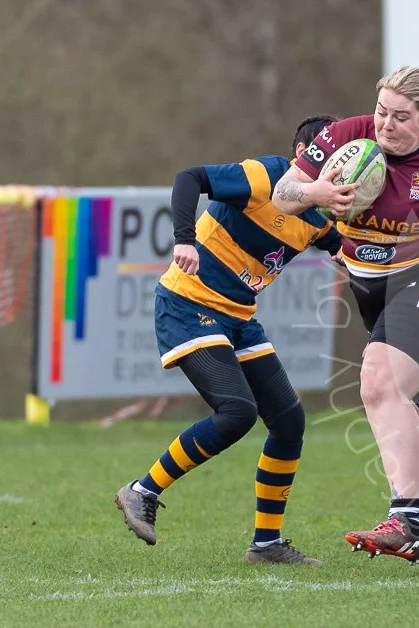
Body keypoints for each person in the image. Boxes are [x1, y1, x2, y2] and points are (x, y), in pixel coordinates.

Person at [269, 66, 419, 564]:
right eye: (382, 111)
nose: (385, 124)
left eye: (401, 117)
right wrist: (315, 194)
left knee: (378, 382)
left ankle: (407, 520)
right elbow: (282, 194)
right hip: (378, 294)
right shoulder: (343, 137)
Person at [113, 115, 347, 565]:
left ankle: (266, 544)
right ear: (306, 153)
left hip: (238, 318)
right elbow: (190, 178)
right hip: (188, 303)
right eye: (331, 153)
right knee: (238, 412)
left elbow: (348, 251)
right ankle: (141, 490)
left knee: (289, 421)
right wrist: (185, 240)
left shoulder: (319, 215)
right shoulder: (266, 176)